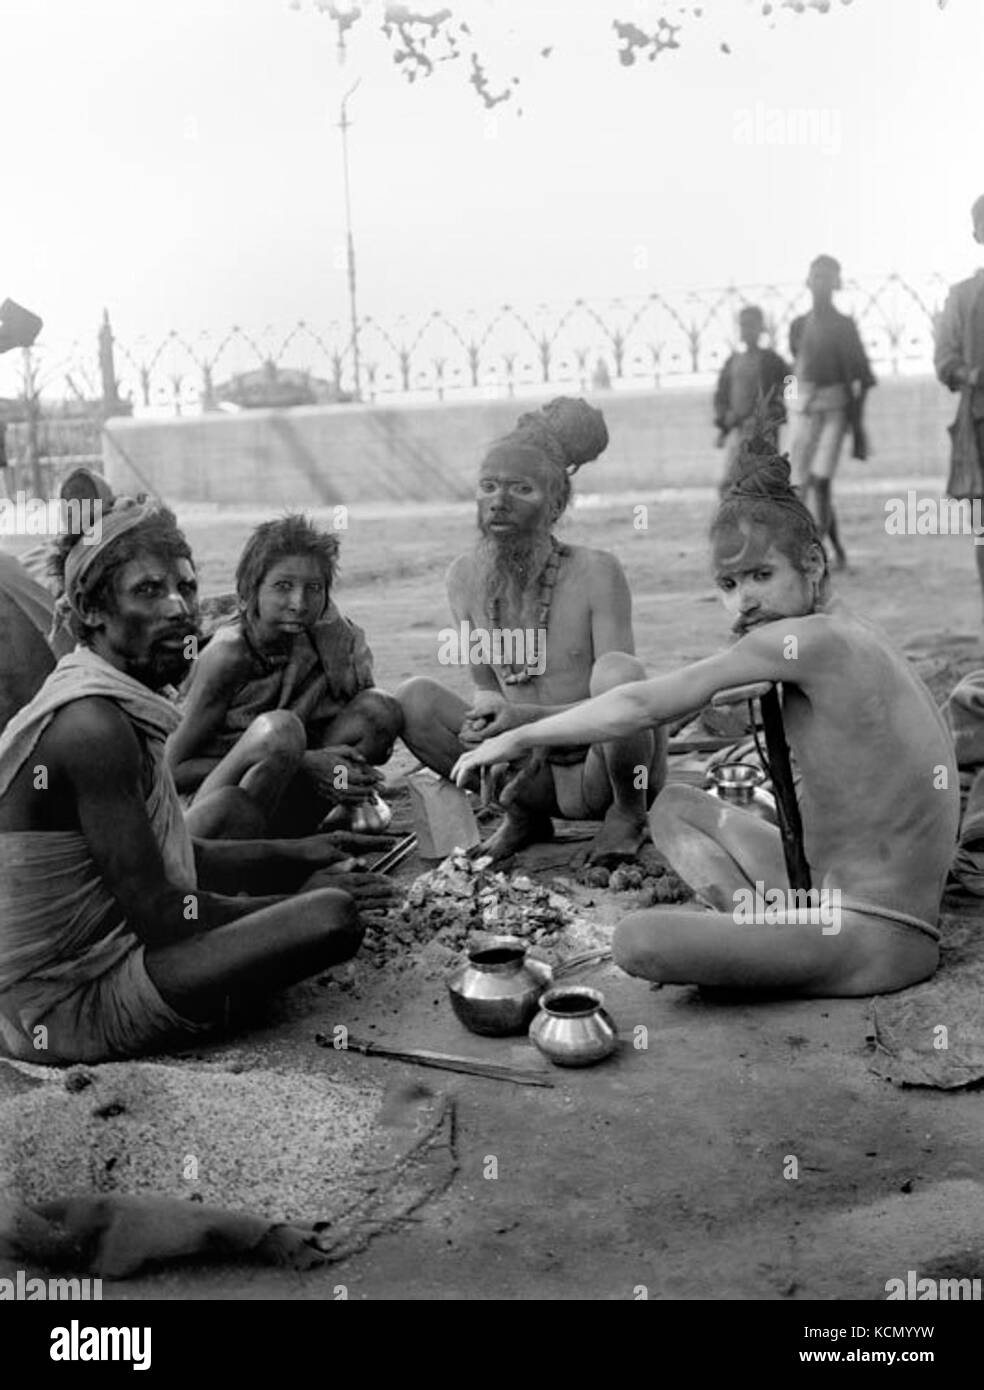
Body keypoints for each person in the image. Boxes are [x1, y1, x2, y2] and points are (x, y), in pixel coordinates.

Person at [452, 437, 959, 997]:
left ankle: (771, 943)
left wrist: (519, 735)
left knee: (637, 941)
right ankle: (770, 936)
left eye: (761, 576)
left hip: (876, 934)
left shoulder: (804, 642)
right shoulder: (845, 628)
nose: (743, 602)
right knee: (675, 806)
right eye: (728, 584)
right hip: (829, 887)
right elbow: (674, 699)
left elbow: (642, 704)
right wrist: (529, 719)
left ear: (812, 560)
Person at [0, 499, 396, 1065]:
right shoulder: (93, 727)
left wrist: (297, 850)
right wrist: (292, 896)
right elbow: (164, 914)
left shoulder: (111, 697)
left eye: (185, 589)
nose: (178, 609)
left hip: (100, 951)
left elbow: (170, 852)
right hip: (58, 1006)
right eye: (148, 591)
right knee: (332, 916)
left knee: (234, 817)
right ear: (90, 609)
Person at [399, 396, 666, 866]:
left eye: (521, 489)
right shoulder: (463, 576)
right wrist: (490, 722)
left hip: (600, 770)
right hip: (528, 774)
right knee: (414, 699)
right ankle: (522, 817)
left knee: (621, 674)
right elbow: (485, 685)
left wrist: (521, 721)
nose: (499, 502)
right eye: (488, 487)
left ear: (556, 502)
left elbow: (624, 703)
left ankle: (628, 816)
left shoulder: (597, 571)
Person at [165, 514, 404, 838]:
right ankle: (245, 859)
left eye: (314, 589)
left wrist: (338, 769)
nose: (299, 603)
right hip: (207, 810)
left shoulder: (318, 639)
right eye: (282, 587)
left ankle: (299, 835)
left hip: (277, 781)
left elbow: (360, 721)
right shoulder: (229, 654)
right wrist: (302, 762)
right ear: (250, 592)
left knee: (378, 711)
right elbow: (172, 769)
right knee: (280, 730)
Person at [788, 255, 876, 571]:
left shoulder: (844, 327)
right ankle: (819, 546)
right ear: (808, 281)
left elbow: (863, 379)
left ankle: (815, 553)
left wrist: (858, 427)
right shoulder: (797, 326)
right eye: (816, 276)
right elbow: (795, 370)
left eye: (828, 277)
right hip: (802, 409)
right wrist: (788, 408)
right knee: (801, 484)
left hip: (835, 409)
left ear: (837, 283)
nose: (821, 283)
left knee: (820, 479)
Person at [934, 193, 984, 612]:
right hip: (978, 427)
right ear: (977, 234)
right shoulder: (962, 297)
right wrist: (973, 374)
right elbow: (944, 361)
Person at [713, 305, 789, 483]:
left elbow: (790, 381)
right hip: (738, 428)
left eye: (751, 325)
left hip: (762, 430)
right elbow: (721, 394)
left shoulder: (772, 360)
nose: (746, 330)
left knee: (760, 480)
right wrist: (724, 416)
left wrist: (779, 407)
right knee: (729, 482)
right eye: (743, 325)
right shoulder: (733, 361)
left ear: (760, 328)